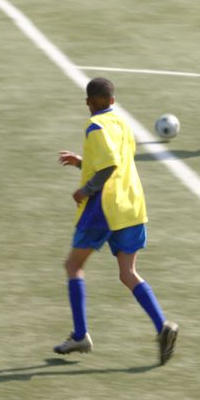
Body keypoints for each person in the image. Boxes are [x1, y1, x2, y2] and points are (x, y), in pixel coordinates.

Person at [54, 77, 179, 366]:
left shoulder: (94, 126)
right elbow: (118, 160)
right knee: (128, 273)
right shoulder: (123, 124)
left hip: (104, 208)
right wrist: (82, 163)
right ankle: (162, 326)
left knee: (73, 266)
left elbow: (109, 164)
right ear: (112, 101)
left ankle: (80, 334)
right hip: (132, 205)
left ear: (89, 102)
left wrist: (85, 189)